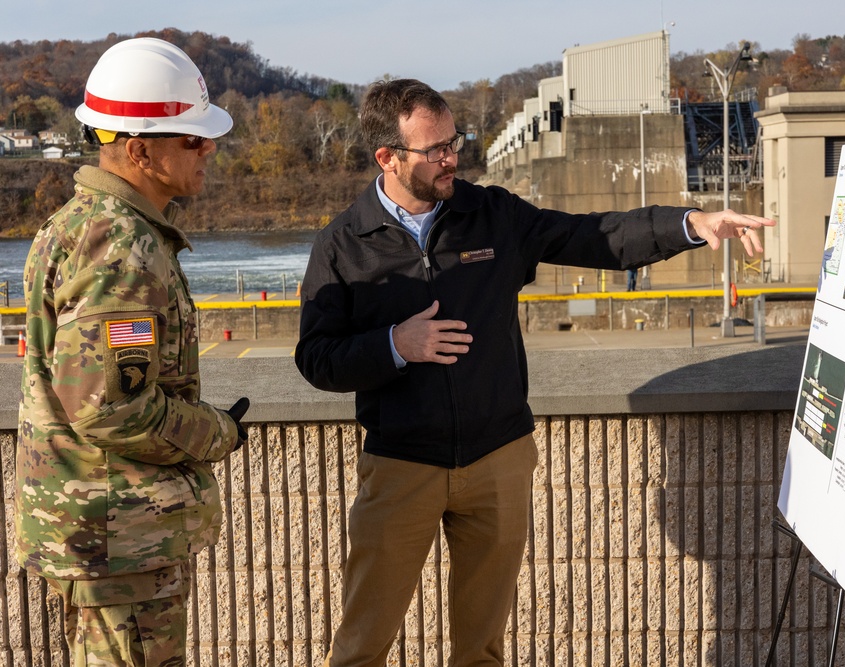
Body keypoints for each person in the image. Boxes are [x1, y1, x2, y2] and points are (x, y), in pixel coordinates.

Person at [295, 78, 774, 667]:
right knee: (362, 645)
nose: (452, 158)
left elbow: (594, 235)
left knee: (483, 650)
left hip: (498, 460)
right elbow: (316, 359)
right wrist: (396, 344)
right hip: (401, 466)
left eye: (455, 141)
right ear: (388, 158)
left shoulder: (491, 214)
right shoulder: (343, 244)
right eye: (435, 149)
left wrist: (690, 224)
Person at [15, 37, 249, 666]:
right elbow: (109, 408)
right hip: (122, 535)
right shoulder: (122, 247)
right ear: (139, 149)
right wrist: (215, 432)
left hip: (103, 529)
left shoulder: (78, 225)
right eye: (192, 140)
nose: (209, 150)